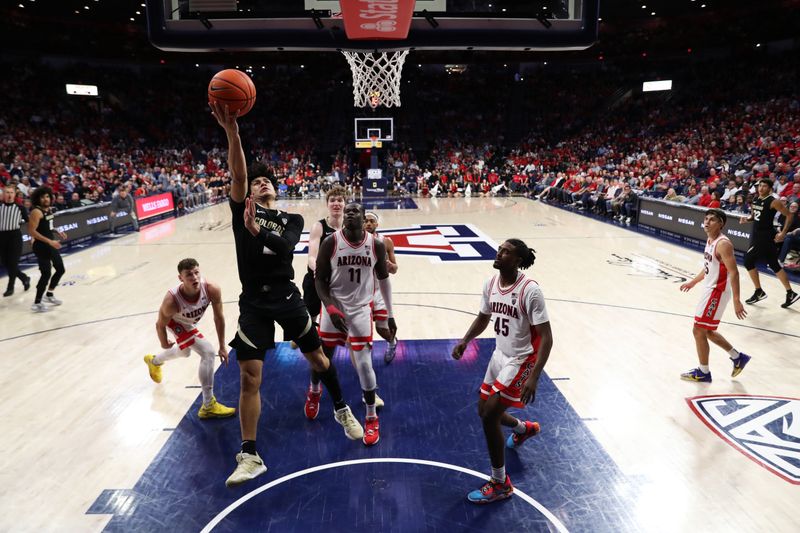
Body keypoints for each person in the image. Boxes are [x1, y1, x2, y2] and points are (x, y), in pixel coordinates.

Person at [210, 101, 362, 488]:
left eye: (267, 182)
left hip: (287, 295)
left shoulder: (290, 219)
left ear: (276, 191)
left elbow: (284, 247)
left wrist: (258, 231)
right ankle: (249, 454)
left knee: (319, 360)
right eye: (257, 182)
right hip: (253, 302)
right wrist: (233, 133)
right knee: (249, 376)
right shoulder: (240, 206)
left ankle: (342, 409)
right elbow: (238, 172)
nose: (261, 184)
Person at [452, 239, 553, 504]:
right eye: (500, 249)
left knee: (488, 417)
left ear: (518, 260)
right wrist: (465, 340)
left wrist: (534, 375)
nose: (499, 253)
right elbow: (484, 317)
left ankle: (500, 483)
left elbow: (546, 337)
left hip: (522, 358)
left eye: (506, 251)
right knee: (483, 410)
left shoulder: (530, 291)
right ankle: (523, 429)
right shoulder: (490, 284)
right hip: (499, 355)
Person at [315, 202, 397, 447]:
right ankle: (314, 389)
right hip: (334, 305)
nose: (350, 214)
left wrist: (390, 314)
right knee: (322, 355)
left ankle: (371, 417)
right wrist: (330, 307)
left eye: (355, 211)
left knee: (364, 363)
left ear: (364, 219)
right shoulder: (330, 242)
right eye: (347, 211)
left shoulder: (376, 245)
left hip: (361, 309)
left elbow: (384, 280)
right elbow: (319, 279)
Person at [143, 258, 235, 418]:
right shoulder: (171, 301)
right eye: (189, 275)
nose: (194, 277)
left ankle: (154, 361)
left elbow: (219, 317)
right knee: (207, 352)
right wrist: (164, 342)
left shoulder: (212, 289)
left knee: (185, 352)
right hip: (175, 322)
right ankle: (208, 405)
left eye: (196, 272)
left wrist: (222, 345)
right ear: (181, 278)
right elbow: (159, 324)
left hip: (188, 323)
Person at [679, 209, 751, 382]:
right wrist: (693, 282)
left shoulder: (723, 244)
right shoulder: (710, 239)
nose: (707, 222)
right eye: (706, 218)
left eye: (712, 220)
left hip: (717, 292)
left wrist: (736, 300)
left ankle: (703, 372)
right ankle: (737, 357)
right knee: (709, 331)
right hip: (710, 289)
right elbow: (708, 267)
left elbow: (734, 273)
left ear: (721, 224)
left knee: (698, 329)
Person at [301, 185, 345, 420]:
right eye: (333, 200)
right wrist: (321, 272)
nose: (336, 204)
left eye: (340, 200)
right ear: (327, 204)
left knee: (359, 347)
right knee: (317, 344)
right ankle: (314, 390)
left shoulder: (350, 227)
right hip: (318, 281)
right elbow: (311, 256)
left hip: (342, 288)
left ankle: (369, 392)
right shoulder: (320, 226)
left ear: (345, 204)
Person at [738, 178, 798, 308]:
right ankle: (791, 293)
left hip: (765, 235)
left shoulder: (773, 201)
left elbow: (789, 215)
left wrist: (783, 233)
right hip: (758, 234)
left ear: (770, 188)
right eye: (760, 186)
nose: (761, 188)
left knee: (748, 260)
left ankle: (759, 291)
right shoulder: (755, 199)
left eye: (764, 186)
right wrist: (746, 220)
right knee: (773, 264)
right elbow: (755, 216)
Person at [363, 211, 399, 363]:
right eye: (366, 221)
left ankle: (392, 343)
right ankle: (363, 354)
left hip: (379, 290)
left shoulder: (386, 242)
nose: (369, 223)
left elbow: (395, 269)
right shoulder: (354, 241)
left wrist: (391, 266)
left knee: (381, 328)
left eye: (372, 221)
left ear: (377, 224)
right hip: (361, 290)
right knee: (361, 328)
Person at [28, 186, 67, 313]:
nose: (46, 199)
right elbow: (32, 231)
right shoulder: (36, 212)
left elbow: (48, 226)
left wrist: (58, 231)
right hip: (41, 246)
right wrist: (50, 241)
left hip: (51, 244)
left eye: (47, 196)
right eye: (43, 197)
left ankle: (49, 294)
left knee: (60, 269)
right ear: (38, 198)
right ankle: (37, 302)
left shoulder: (49, 210)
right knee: (46, 273)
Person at [0, 185, 32, 297]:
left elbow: (29, 223)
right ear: (3, 194)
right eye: (7, 192)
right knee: (5, 263)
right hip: (2, 237)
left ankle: (10, 287)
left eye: (11, 192)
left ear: (14, 194)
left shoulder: (20, 208)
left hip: (15, 236)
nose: (9, 195)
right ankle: (24, 278)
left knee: (13, 263)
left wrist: (32, 237)